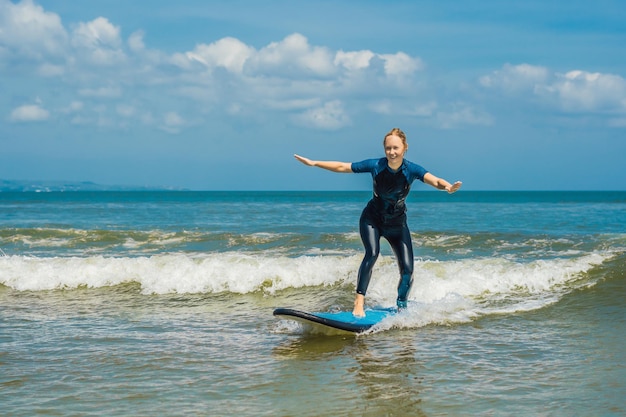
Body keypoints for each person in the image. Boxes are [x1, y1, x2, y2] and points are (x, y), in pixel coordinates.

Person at [294, 127, 462, 317]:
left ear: (405, 148)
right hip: (372, 219)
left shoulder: (412, 170)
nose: (391, 152)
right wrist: (315, 163)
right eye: (388, 148)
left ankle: (401, 306)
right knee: (372, 254)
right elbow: (343, 166)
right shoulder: (376, 165)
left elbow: (434, 180)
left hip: (397, 225)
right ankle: (359, 302)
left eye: (396, 148)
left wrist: (448, 187)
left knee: (408, 271)